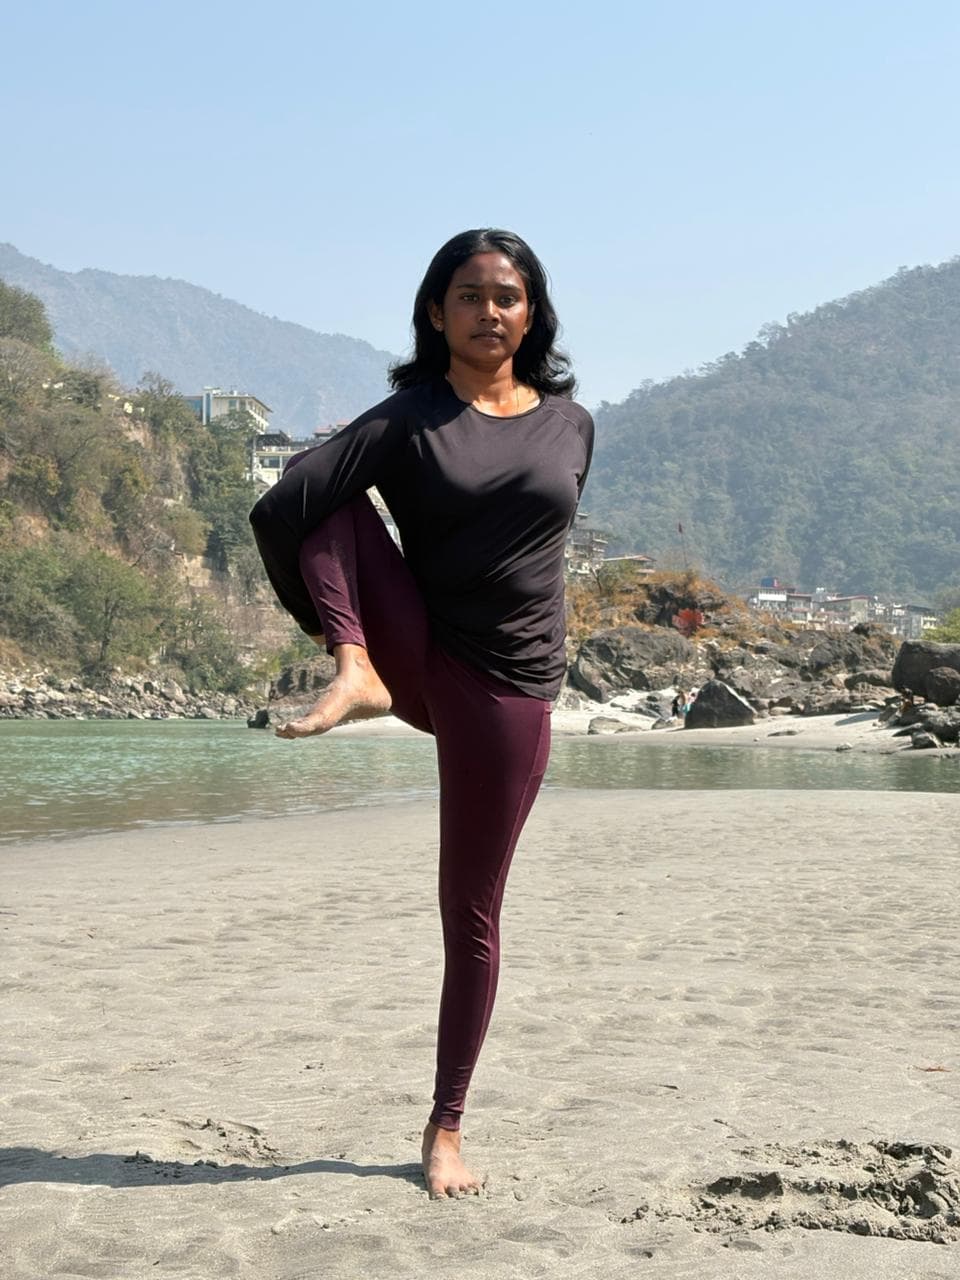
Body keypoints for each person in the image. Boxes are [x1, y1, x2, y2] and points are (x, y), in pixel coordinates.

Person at [249, 228, 594, 1199]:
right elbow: (282, 509)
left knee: (470, 910)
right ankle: (354, 671)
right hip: (414, 652)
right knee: (320, 487)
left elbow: (538, 553)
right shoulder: (409, 419)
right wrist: (341, 629)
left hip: (508, 687)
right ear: (436, 312)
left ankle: (446, 1125)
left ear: (533, 313)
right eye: (469, 295)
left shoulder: (572, 425)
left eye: (507, 296)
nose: (489, 311)